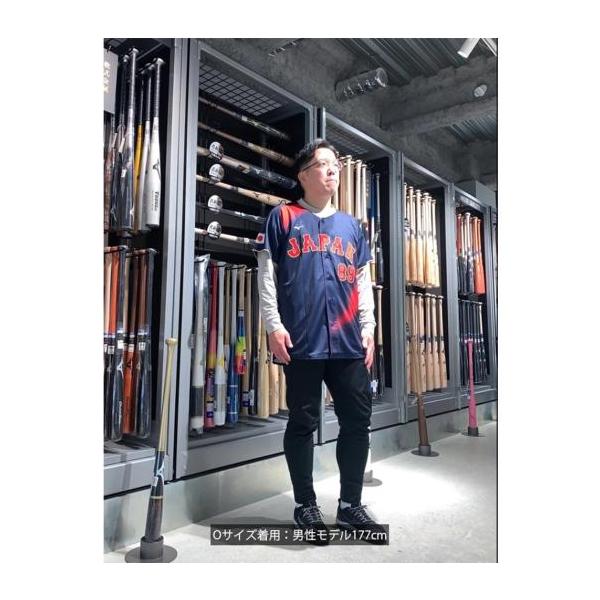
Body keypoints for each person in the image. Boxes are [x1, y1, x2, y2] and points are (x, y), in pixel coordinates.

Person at [255, 139, 386, 545]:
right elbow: (266, 274)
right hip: (302, 340)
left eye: (335, 165)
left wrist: (369, 326)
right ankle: (305, 505)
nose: (332, 170)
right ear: (303, 175)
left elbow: (362, 280)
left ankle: (349, 505)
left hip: (348, 341)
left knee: (357, 422)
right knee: (303, 422)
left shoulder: (351, 227)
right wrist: (273, 325)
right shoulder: (283, 217)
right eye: (323, 164)